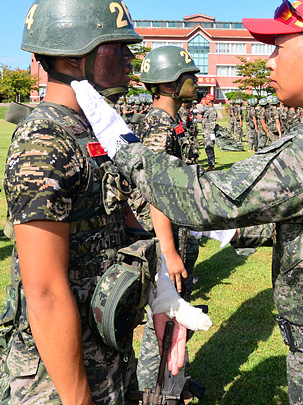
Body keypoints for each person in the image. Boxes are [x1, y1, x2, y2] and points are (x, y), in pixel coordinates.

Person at [73, 0, 303, 404]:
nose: (269, 61)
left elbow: (206, 198)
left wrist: (122, 144)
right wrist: (229, 233)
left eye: (279, 47)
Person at [0, 0, 209, 405]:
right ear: (75, 54)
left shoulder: (93, 128)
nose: (133, 58)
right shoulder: (45, 139)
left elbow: (125, 224)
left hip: (106, 346)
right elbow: (45, 293)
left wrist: (162, 296)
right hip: (58, 371)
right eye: (118, 47)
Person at [133, 44, 203, 390]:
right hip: (165, 236)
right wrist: (169, 251)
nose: (195, 80)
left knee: (177, 309)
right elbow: (154, 193)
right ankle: (154, 389)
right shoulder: (159, 124)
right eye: (188, 76)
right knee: (165, 310)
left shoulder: (173, 121)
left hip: (178, 231)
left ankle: (174, 380)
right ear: (168, 83)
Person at [201, 94, 217, 170]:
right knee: (207, 148)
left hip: (209, 132)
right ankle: (211, 165)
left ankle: (211, 166)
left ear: (210, 100)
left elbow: (212, 123)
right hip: (206, 132)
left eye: (207, 99)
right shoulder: (208, 109)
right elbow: (204, 120)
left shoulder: (212, 111)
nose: (205, 100)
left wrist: (209, 133)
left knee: (209, 148)